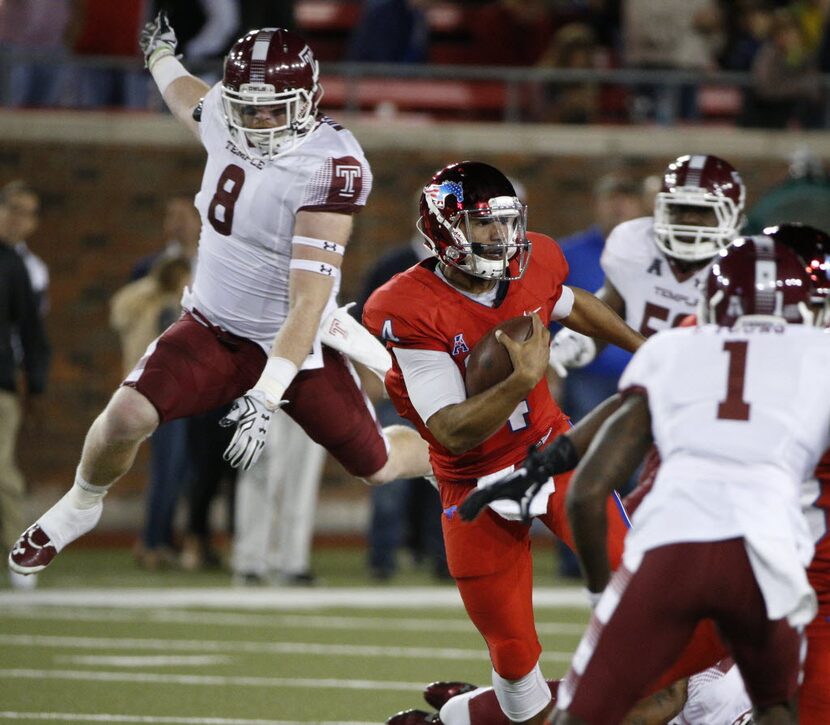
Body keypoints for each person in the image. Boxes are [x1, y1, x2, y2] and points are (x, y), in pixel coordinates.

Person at [8, 17, 431, 578]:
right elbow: (185, 96)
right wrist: (160, 55)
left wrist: (266, 395)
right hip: (212, 327)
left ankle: (454, 457)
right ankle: (81, 505)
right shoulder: (226, 120)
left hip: (294, 344)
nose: (257, 120)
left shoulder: (330, 166)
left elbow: (308, 300)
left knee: (375, 464)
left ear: (308, 99)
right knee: (123, 417)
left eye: (272, 107)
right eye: (246, 106)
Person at [363, 160, 644, 725]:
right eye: (482, 224)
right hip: (473, 481)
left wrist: (648, 351)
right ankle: (467, 715)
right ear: (444, 230)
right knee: (514, 659)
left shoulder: (533, 261)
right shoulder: (409, 306)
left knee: (635, 584)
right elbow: (448, 429)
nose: (500, 237)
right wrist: (519, 380)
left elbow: (570, 302)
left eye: (505, 222)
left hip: (549, 450)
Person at [548, 237, 830, 724]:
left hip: (670, 551)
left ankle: (469, 712)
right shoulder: (817, 354)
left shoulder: (676, 347)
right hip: (771, 562)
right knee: (760, 705)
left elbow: (589, 490)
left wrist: (602, 593)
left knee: (606, 705)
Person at [549, 154, 746, 386]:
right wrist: (581, 339)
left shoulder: (745, 266)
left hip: (713, 389)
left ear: (733, 214)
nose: (690, 219)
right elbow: (613, 307)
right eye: (680, 208)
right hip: (642, 383)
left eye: (702, 211)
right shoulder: (635, 242)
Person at [110, 253, 193, 570]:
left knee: (168, 472)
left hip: (147, 396)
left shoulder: (142, 304)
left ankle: (155, 540)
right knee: (168, 473)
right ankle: (152, 542)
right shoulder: (168, 309)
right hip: (166, 399)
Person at [0, 182, 50, 589]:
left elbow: (31, 331)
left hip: (0, 382)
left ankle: (18, 557)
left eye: (26, 212)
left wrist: (35, 381)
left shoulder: (19, 267)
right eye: (12, 209)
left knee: (1, 472)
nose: (17, 219)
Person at [231, 400, 326, 585]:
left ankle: (294, 562)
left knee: (303, 476)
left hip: (314, 383)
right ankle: (249, 561)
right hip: (266, 383)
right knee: (258, 473)